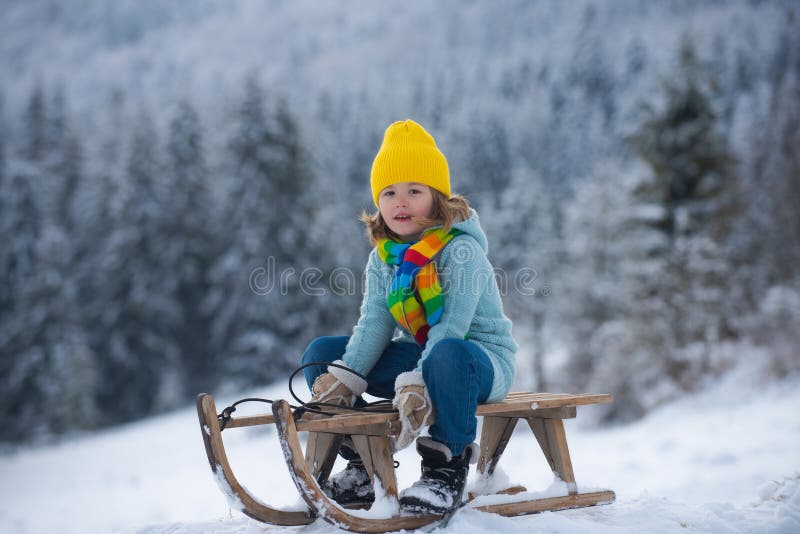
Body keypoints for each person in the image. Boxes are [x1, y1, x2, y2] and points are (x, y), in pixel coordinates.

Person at [301, 119, 518, 514]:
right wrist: (345, 378)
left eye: (414, 191)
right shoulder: (383, 259)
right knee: (322, 356)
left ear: (437, 198)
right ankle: (363, 465)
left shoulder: (461, 251)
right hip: (423, 354)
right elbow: (374, 324)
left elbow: (453, 326)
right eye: (389, 192)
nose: (400, 202)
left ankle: (445, 468)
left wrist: (418, 380)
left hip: (475, 360)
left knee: (446, 352)